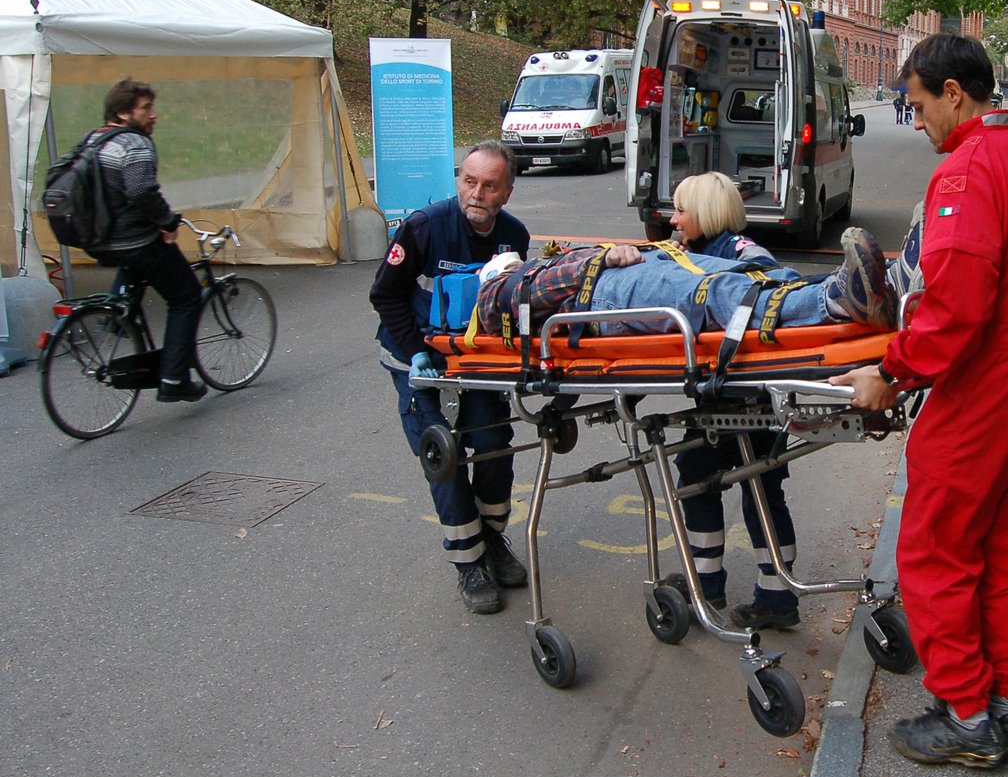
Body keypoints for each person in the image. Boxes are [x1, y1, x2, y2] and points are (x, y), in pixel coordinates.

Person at [830, 33, 1008, 769]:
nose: (917, 123)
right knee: (1002, 545)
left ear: (953, 93)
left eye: (916, 105)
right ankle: (1004, 703)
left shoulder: (969, 175)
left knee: (937, 545)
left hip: (993, 372)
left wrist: (893, 369)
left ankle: (966, 714)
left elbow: (954, 307)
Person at [371, 141, 531, 615]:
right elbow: (386, 295)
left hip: (476, 362)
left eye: (489, 185)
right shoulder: (423, 228)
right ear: (459, 180)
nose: (476, 193)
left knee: (496, 446)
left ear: (507, 192)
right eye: (469, 181)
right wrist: (418, 352)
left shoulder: (513, 237)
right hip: (417, 359)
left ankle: (490, 538)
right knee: (444, 455)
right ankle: (469, 564)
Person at [662, 172, 804, 630]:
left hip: (741, 395)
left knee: (723, 483)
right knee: (742, 485)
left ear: (705, 212)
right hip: (736, 394)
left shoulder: (743, 259)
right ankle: (746, 591)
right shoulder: (713, 253)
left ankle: (741, 592)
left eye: (682, 210)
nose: (674, 218)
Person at [474, 224, 895, 336]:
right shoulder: (501, 288)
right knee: (710, 294)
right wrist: (595, 261)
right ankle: (838, 302)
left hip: (623, 278)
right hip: (605, 297)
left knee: (749, 275)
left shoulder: (533, 267)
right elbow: (527, 297)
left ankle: (886, 284)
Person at [89, 79, 208, 403]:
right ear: (124, 112)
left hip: (100, 240)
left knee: (139, 267)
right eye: (146, 109)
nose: (153, 115)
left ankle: (119, 316)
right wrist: (168, 221)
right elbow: (141, 191)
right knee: (186, 297)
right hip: (135, 240)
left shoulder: (93, 141)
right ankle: (174, 379)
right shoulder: (134, 144)